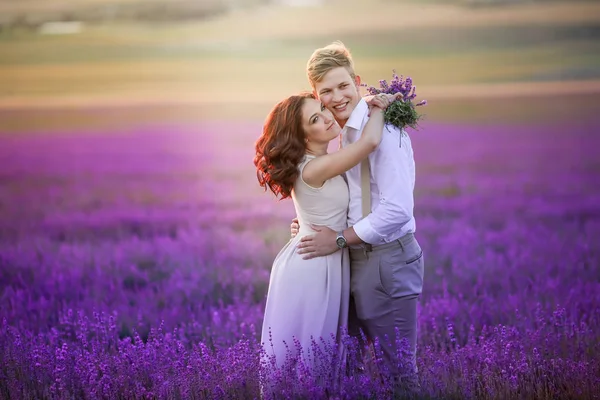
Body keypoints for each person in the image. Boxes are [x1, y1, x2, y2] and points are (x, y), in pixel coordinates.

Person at [293, 41, 425, 391]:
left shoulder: (386, 130)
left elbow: (397, 210)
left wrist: (338, 238)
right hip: (352, 259)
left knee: (398, 376)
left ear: (357, 81)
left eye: (343, 86)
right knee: (347, 371)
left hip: (387, 259)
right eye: (326, 91)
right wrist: (310, 223)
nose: (337, 97)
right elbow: (351, 194)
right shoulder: (343, 131)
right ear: (316, 94)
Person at [254, 90, 394, 384]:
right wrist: (379, 107)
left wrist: (301, 224)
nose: (328, 117)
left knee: (319, 357)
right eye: (315, 119)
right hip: (313, 266)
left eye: (322, 108)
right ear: (303, 137)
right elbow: (370, 142)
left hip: (320, 256)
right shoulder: (314, 167)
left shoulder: (317, 161)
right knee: (309, 358)